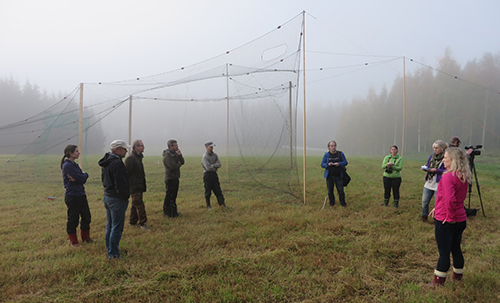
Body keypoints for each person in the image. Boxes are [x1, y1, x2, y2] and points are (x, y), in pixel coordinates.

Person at [427, 147, 470, 286]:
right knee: (456, 248)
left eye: (446, 157)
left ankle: (438, 282)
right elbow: (451, 197)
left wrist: (449, 217)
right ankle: (458, 277)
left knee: (444, 252)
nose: (443, 159)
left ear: (453, 160)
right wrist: (437, 207)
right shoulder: (463, 175)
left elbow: (450, 200)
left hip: (447, 220)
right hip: (461, 219)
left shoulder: (447, 176)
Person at [98, 140, 130, 260]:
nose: (126, 151)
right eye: (124, 149)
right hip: (117, 199)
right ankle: (113, 254)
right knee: (116, 227)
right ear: (117, 150)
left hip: (108, 196)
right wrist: (125, 196)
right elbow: (120, 184)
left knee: (110, 226)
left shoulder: (107, 162)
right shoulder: (117, 164)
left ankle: (110, 250)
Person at [61, 144, 92, 247]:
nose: (78, 153)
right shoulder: (68, 166)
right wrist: (81, 176)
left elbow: (81, 177)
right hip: (73, 196)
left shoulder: (74, 165)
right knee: (73, 219)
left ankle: (86, 238)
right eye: (76, 151)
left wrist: (83, 175)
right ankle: (74, 242)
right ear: (70, 153)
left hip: (81, 194)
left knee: (86, 217)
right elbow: (81, 178)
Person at [420, 140, 447, 222]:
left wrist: (436, 170)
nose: (435, 150)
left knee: (437, 203)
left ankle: (436, 218)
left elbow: (447, 170)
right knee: (424, 201)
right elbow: (428, 165)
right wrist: (425, 168)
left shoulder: (446, 158)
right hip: (429, 181)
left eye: (437, 148)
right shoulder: (432, 156)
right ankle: (424, 216)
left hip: (438, 183)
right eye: (434, 148)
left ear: (442, 148)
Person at [125, 139, 149, 230]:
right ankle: (143, 223)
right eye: (141, 145)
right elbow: (127, 173)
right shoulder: (131, 158)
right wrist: (130, 185)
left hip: (139, 185)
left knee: (135, 204)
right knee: (139, 205)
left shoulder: (138, 157)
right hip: (134, 186)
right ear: (136, 147)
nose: (143, 147)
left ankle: (132, 222)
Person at [321, 141, 348, 207]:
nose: (333, 147)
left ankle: (343, 203)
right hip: (329, 176)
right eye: (332, 146)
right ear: (329, 147)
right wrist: (328, 164)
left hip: (339, 175)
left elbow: (345, 162)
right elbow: (322, 164)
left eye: (334, 146)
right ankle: (332, 203)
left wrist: (339, 164)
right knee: (330, 191)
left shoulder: (340, 154)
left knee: (340, 190)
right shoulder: (326, 155)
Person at [201, 141, 227, 209]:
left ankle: (222, 204)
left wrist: (213, 165)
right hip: (207, 175)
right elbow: (208, 168)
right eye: (210, 146)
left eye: (212, 146)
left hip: (214, 175)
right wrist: (215, 166)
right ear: (206, 147)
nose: (212, 148)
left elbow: (219, 164)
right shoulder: (205, 157)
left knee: (218, 190)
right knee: (208, 191)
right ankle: (208, 206)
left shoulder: (215, 155)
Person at [162, 139, 185, 218]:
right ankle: (167, 212)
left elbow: (182, 161)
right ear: (170, 146)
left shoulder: (175, 154)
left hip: (175, 177)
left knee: (174, 196)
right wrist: (178, 164)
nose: (177, 147)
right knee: (169, 196)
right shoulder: (167, 156)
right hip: (170, 178)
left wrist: (179, 155)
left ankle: (173, 213)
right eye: (175, 145)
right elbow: (173, 166)